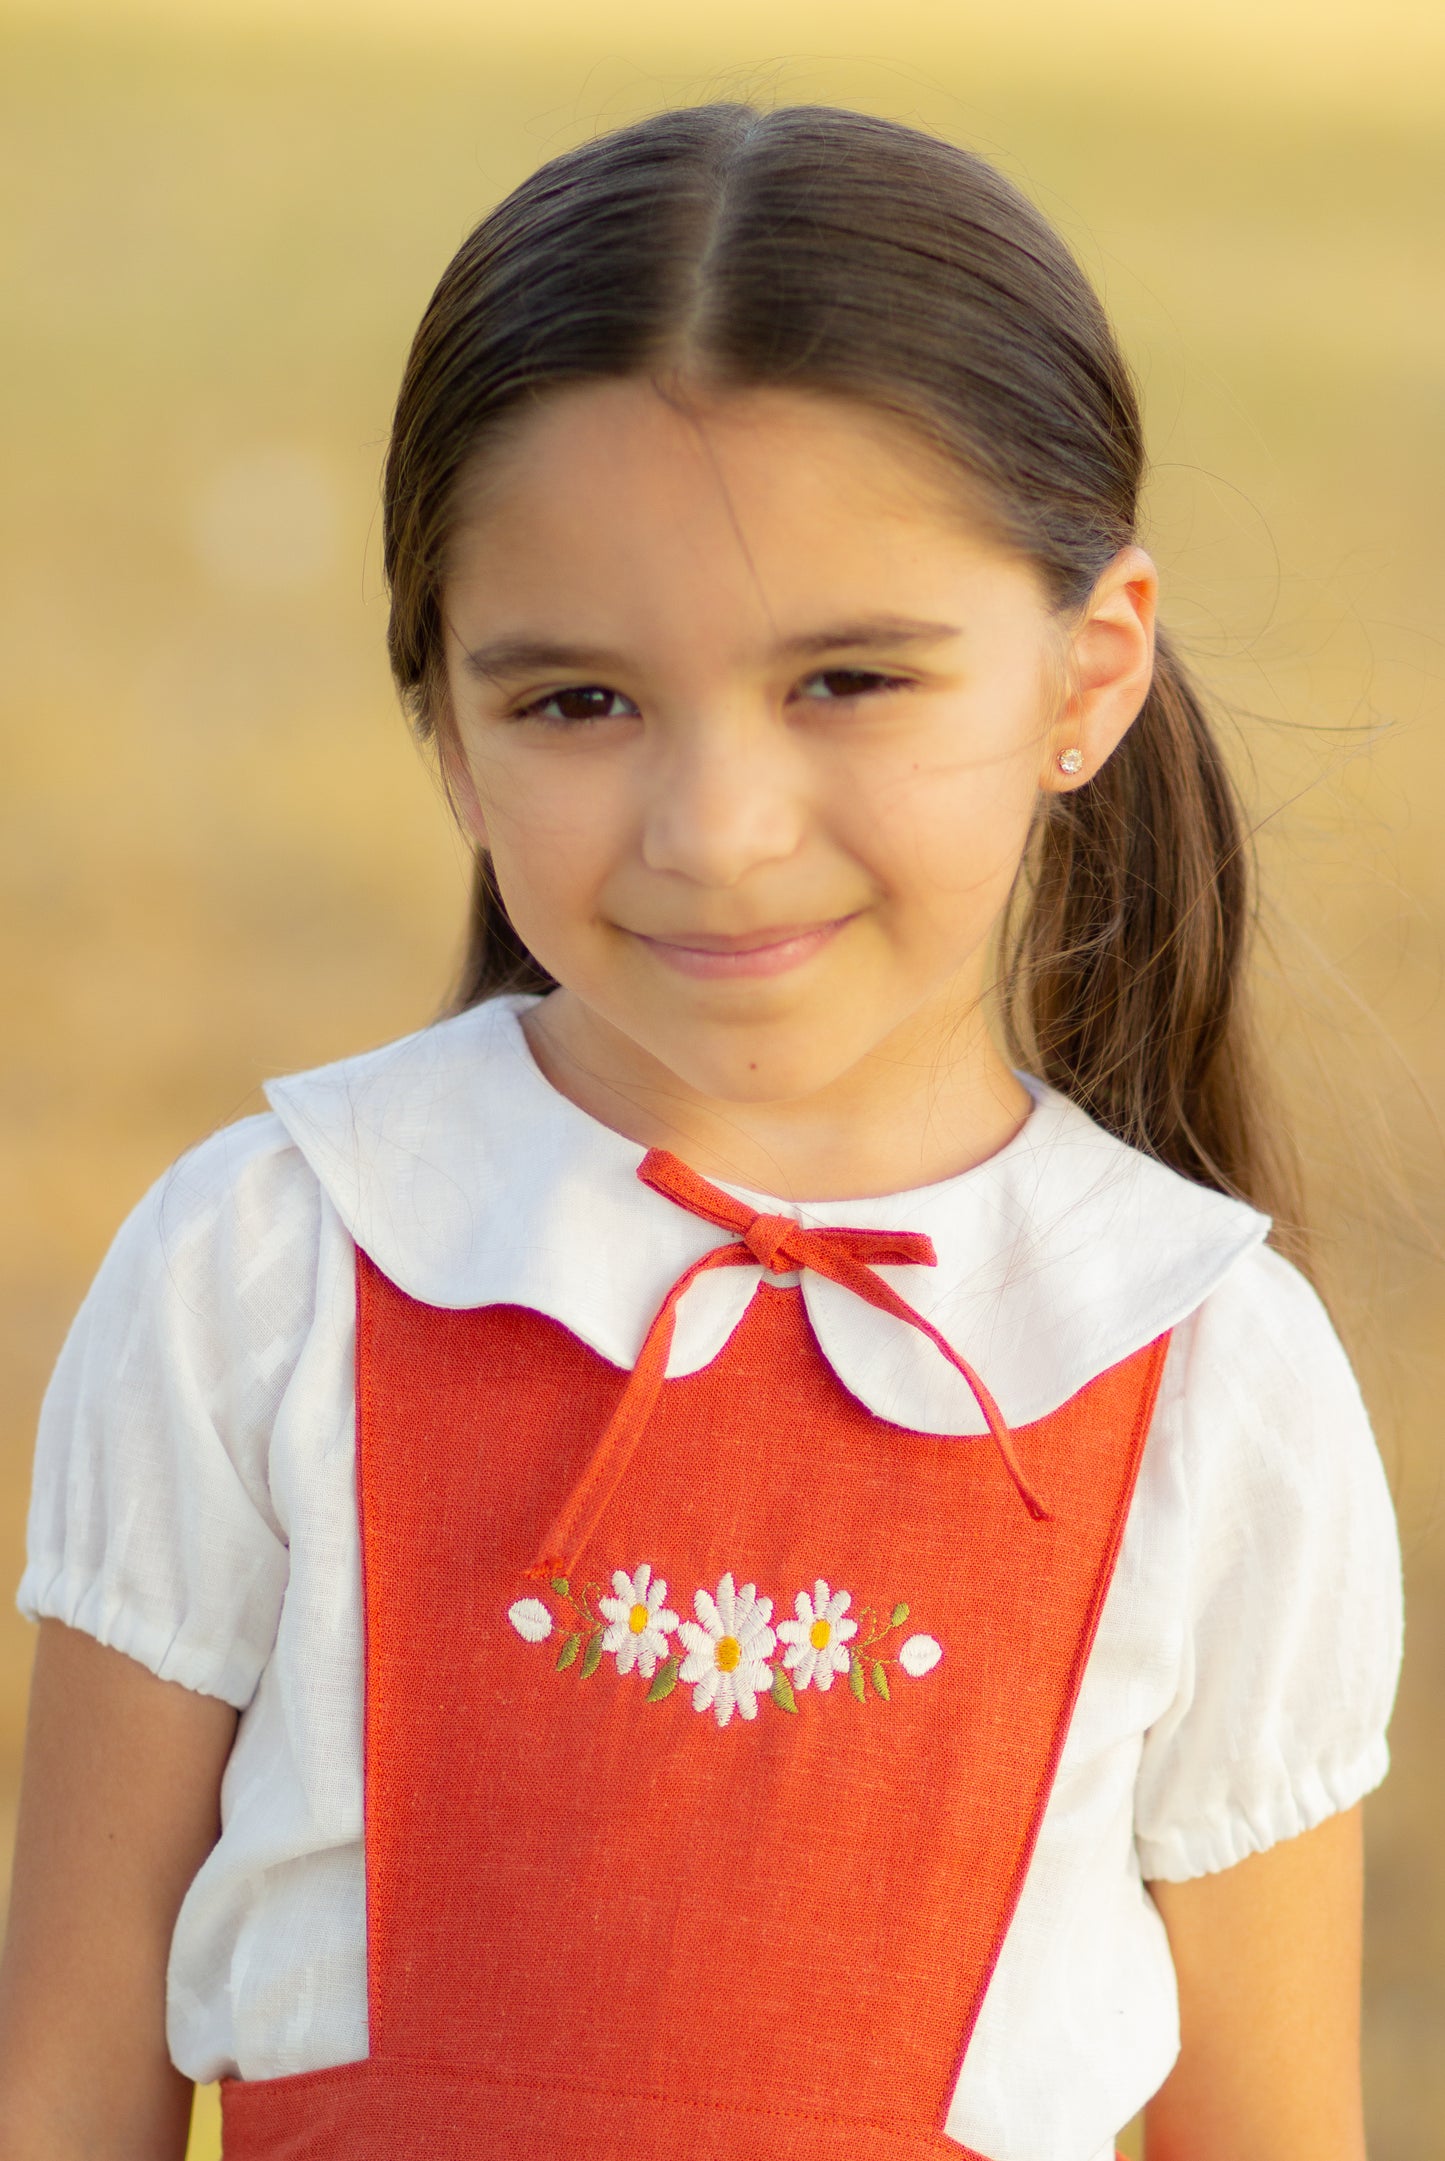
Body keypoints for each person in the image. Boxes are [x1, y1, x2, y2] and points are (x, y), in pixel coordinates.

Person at [0, 104, 1401, 2161]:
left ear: (1088, 675)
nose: (715, 834)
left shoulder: (1204, 1375)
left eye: (846, 677)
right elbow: (63, 2091)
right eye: (577, 701)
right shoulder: (268, 1273)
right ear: (448, 729)